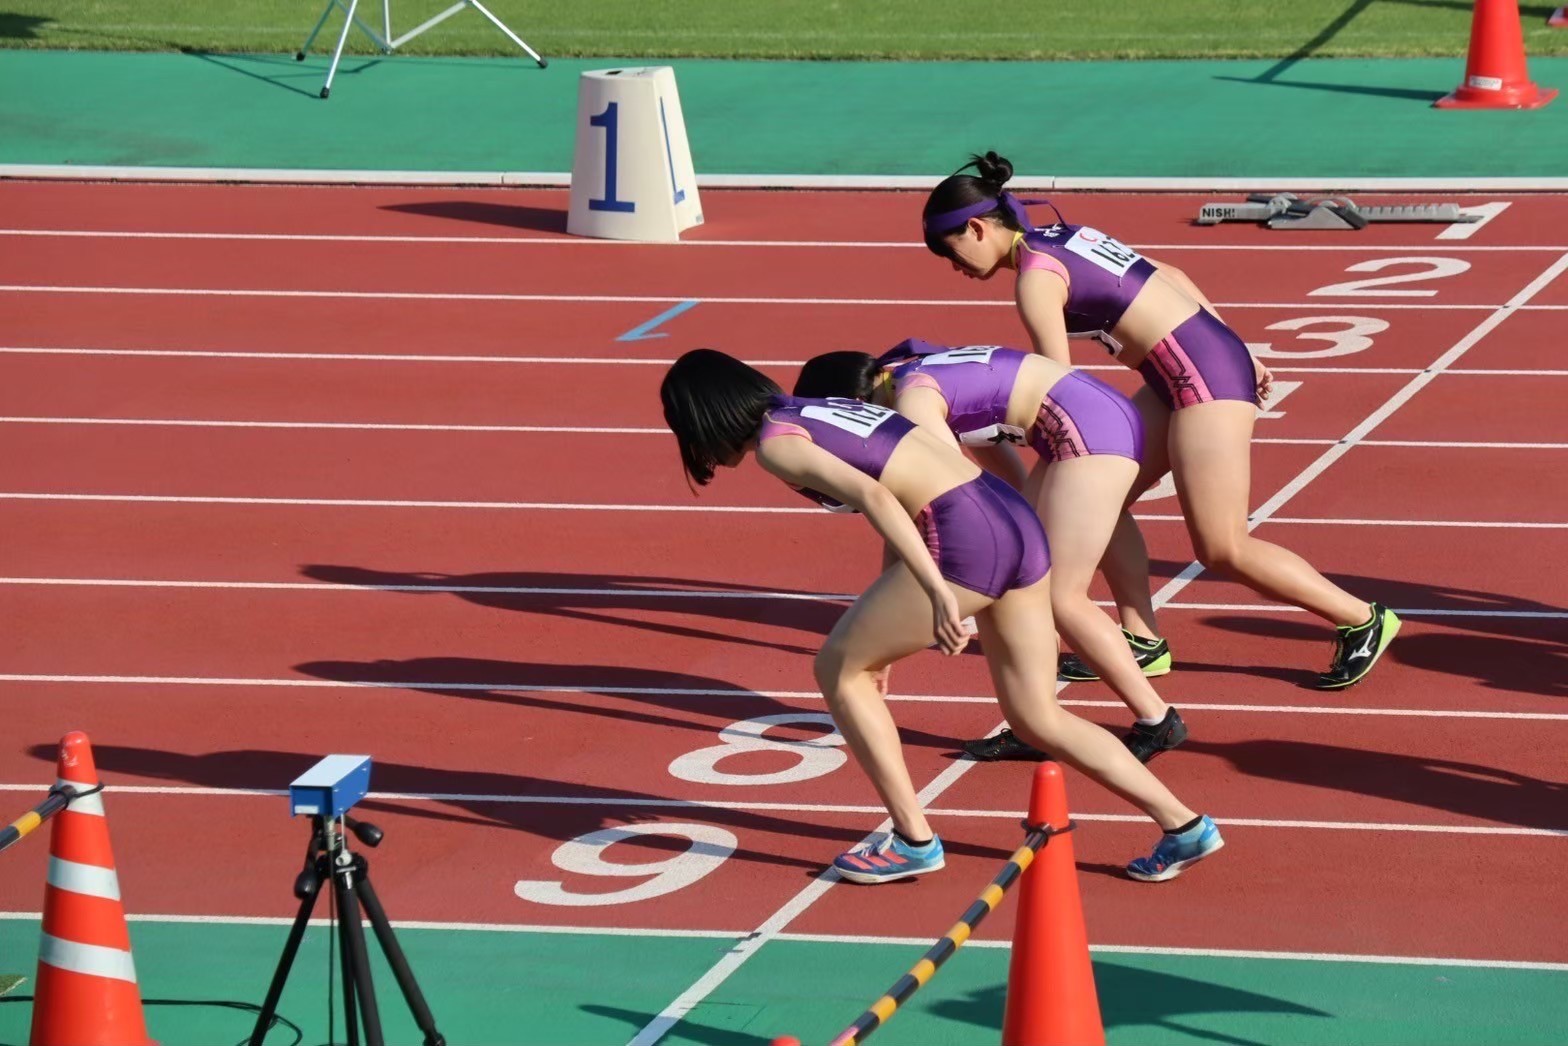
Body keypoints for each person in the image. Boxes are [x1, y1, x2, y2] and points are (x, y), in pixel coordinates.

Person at [659, 348, 1223, 884]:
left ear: (704, 417)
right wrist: (885, 638)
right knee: (1035, 716)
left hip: (965, 537)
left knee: (836, 670)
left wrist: (934, 588)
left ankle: (912, 840)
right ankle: (1184, 826)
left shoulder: (775, 445)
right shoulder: (815, 409)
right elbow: (902, 493)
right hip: (1011, 520)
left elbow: (879, 499)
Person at [920, 152, 1399, 694]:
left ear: (977, 228)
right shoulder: (1062, 236)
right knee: (1100, 501)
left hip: (1201, 381)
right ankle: (1142, 639)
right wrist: (1236, 345)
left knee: (1221, 546)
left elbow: (1058, 384)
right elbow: (1172, 276)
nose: (952, 265)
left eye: (948, 250)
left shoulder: (1035, 278)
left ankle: (1361, 618)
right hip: (1191, 369)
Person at [794, 339, 1186, 764]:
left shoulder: (912, 402)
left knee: (1060, 596)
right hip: (1091, 417)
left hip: (1089, 430)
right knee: (1026, 579)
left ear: (853, 405)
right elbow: (993, 455)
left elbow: (945, 490)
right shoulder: (910, 377)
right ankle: (1039, 722)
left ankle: (1156, 720)